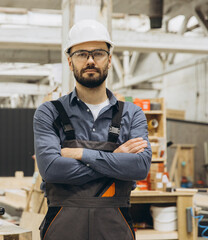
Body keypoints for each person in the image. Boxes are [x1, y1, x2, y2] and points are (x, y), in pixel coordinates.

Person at [33, 19, 152, 240]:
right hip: (62, 228)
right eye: (81, 54)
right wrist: (115, 159)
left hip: (115, 229)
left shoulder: (132, 113)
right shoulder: (49, 113)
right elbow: (51, 169)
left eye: (98, 53)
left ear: (109, 60)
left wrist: (81, 154)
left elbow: (140, 167)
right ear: (70, 62)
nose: (90, 60)